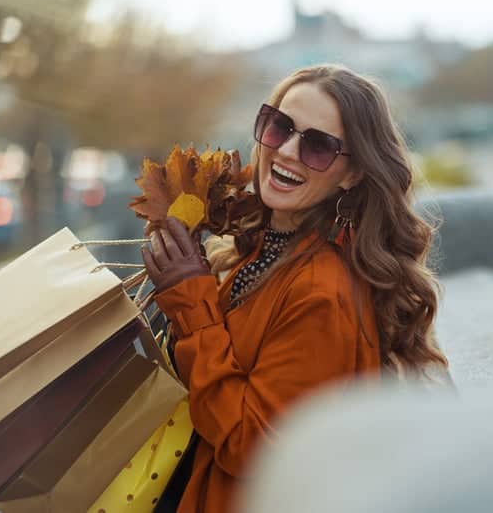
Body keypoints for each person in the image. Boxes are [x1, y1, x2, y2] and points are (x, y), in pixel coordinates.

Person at [141, 64, 449, 512]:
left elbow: (258, 449)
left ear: (352, 174)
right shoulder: (271, 248)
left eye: (318, 146)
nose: (286, 151)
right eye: (280, 126)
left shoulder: (321, 292)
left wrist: (191, 302)